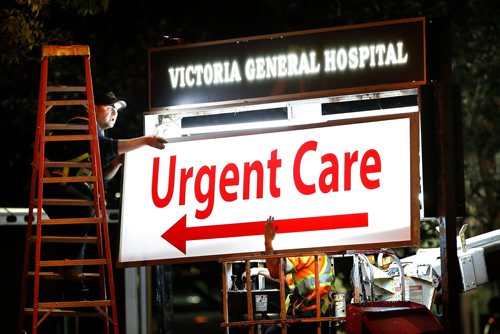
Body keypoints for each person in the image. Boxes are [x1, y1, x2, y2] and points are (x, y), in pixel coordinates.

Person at [43, 91, 167, 282]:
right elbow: (105, 147)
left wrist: (116, 163)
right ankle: (68, 267)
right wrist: (144, 140)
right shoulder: (80, 124)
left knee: (85, 213)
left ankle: (71, 275)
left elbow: (101, 178)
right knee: (85, 208)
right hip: (53, 187)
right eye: (109, 107)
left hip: (69, 190)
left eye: (116, 109)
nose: (114, 112)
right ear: (91, 107)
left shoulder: (98, 134)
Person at [247, 216, 335, 334]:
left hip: (306, 318)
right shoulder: (319, 256)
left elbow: (275, 271)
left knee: (271, 332)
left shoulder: (303, 252)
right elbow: (285, 278)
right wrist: (258, 270)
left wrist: (268, 243)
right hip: (318, 316)